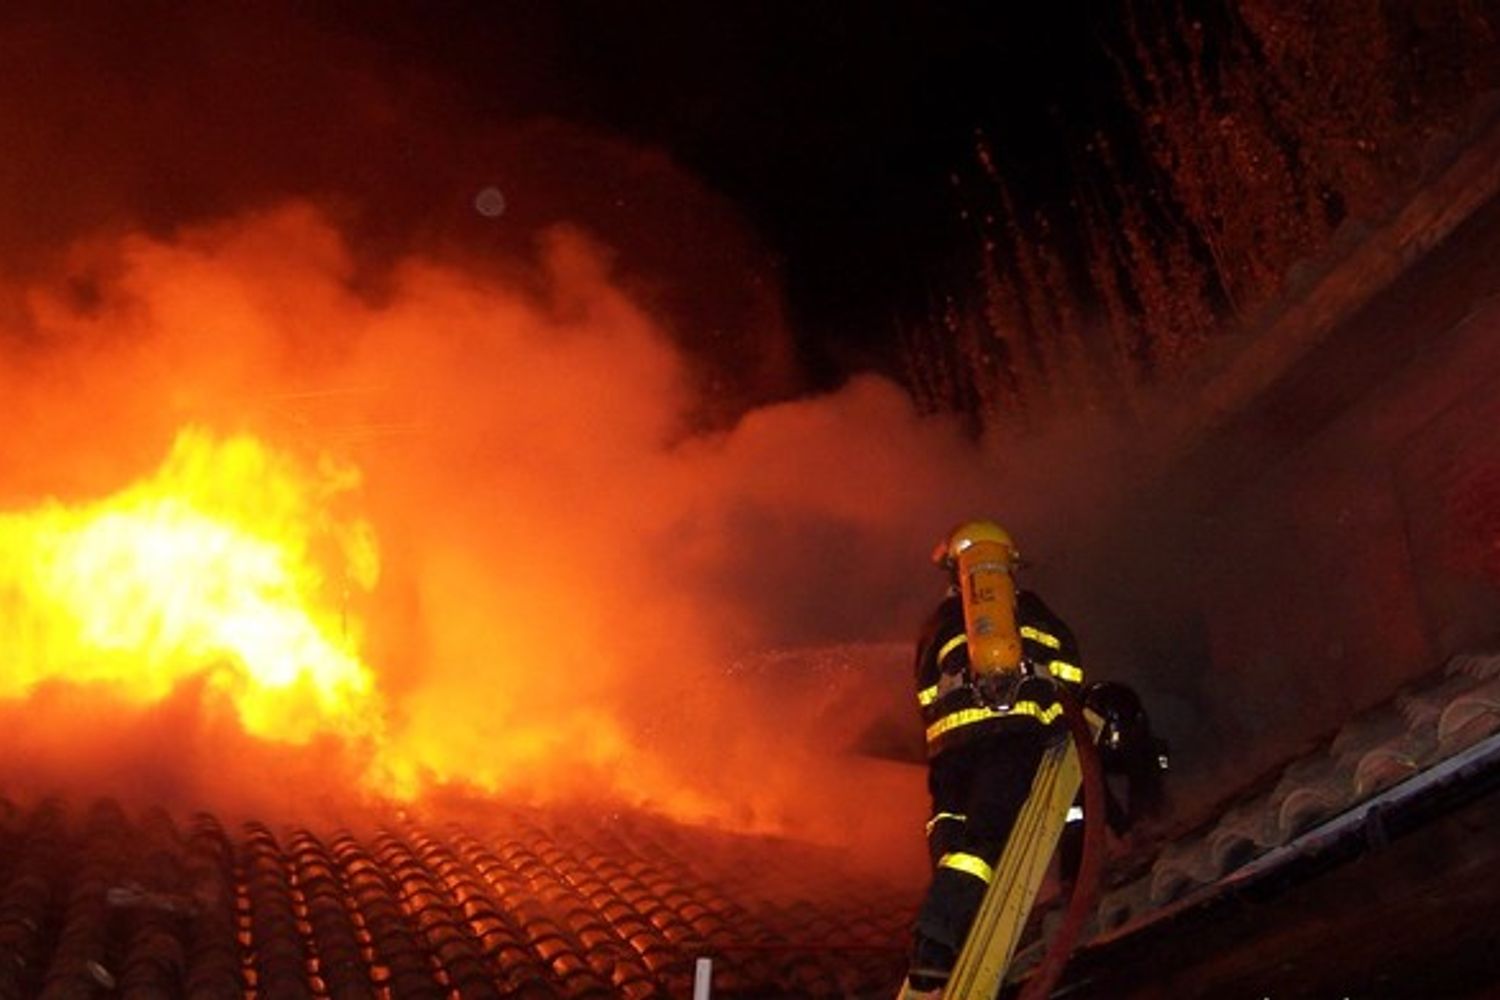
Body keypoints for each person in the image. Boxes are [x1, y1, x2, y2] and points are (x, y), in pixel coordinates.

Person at [902, 520, 1085, 999]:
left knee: (952, 838)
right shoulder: (1030, 611)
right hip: (1008, 737)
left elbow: (925, 693)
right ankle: (937, 943)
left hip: (948, 755)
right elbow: (1067, 667)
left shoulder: (937, 624)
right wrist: (1057, 713)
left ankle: (953, 932)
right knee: (986, 844)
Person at [1057, 681, 1170, 886]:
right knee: (1076, 819)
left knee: (1145, 761)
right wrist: (1121, 831)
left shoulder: (1131, 723)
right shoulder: (1073, 734)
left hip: (1100, 756)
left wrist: (1143, 823)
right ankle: (1072, 880)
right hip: (1066, 791)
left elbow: (1145, 765)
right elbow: (1092, 787)